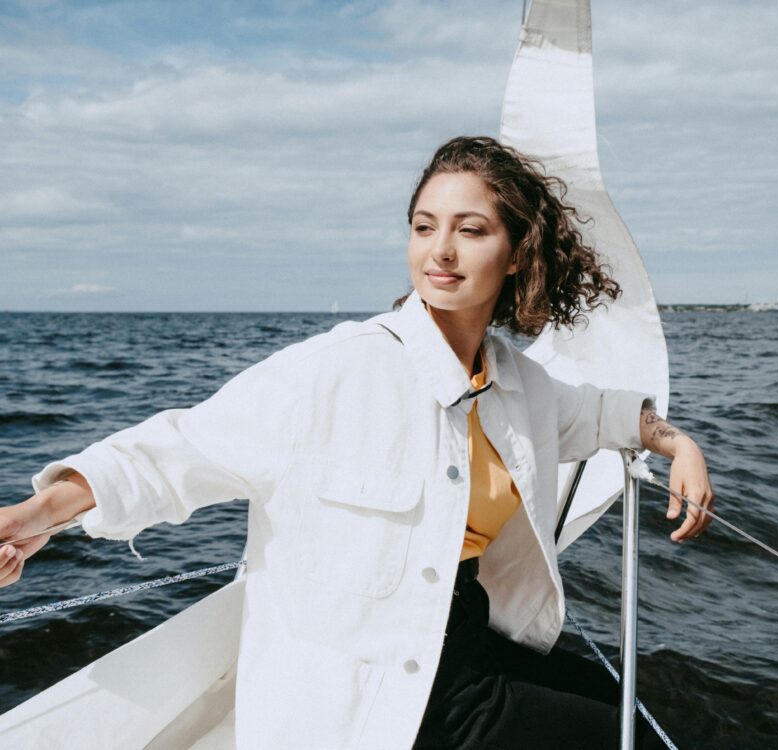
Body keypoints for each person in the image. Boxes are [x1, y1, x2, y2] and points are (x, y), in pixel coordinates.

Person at [0, 136, 714, 749]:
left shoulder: (519, 383)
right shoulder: (336, 368)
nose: (439, 251)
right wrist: (37, 518)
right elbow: (178, 451)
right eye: (424, 226)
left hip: (464, 635)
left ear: (518, 253)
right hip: (376, 676)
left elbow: (603, 414)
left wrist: (675, 443)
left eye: (469, 230)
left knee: (637, 714)